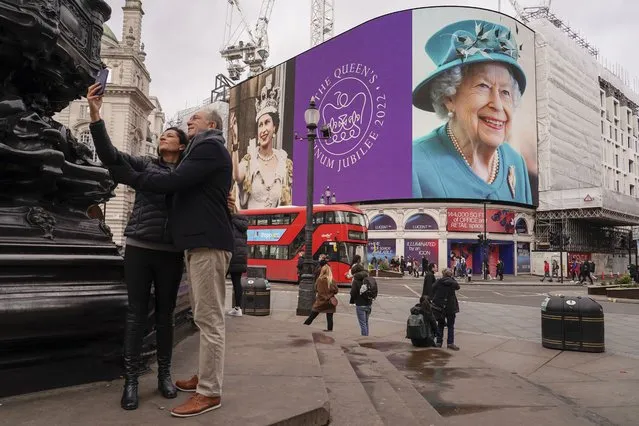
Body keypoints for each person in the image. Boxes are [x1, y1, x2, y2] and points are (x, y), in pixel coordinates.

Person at [109, 106, 234, 418]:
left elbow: (172, 182)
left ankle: (209, 392)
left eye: (196, 118)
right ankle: (206, 377)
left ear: (212, 125)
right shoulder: (200, 151)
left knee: (209, 320)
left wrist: (132, 177)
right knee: (203, 317)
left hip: (207, 243)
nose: (189, 120)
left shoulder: (208, 146)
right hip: (197, 244)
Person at [87, 84, 187, 410]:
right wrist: (95, 114)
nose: (163, 138)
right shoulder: (145, 165)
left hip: (171, 253)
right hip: (140, 247)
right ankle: (130, 381)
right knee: (135, 315)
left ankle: (164, 375)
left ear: (181, 146)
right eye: (163, 135)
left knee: (165, 316)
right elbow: (111, 157)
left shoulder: (189, 176)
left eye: (170, 136)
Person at [412, 20, 532, 204]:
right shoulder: (414, 164)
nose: (498, 105)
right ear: (449, 97)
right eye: (483, 86)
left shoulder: (516, 162)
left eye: (505, 92)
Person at [229, 79, 292, 209]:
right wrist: (235, 143)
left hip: (276, 228)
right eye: (260, 125)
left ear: (275, 127)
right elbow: (236, 176)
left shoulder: (283, 162)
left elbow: (288, 203)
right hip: (250, 226)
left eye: (267, 123)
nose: (263, 130)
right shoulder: (250, 159)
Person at [227, 192, 248, 317]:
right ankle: (238, 308)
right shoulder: (242, 222)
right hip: (240, 257)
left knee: (219, 283)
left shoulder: (227, 220)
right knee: (237, 283)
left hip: (228, 255)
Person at [431, 268, 460, 350]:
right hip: (450, 306)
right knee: (451, 325)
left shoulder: (439, 281)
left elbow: (433, 287)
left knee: (440, 325)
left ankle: (439, 342)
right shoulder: (453, 282)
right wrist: (452, 279)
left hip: (440, 306)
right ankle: (450, 343)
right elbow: (458, 287)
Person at [304, 264, 339, 331]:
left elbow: (315, 289)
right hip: (329, 303)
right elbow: (336, 291)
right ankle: (330, 332)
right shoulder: (331, 280)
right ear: (329, 271)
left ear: (322, 271)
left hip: (320, 302)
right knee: (330, 319)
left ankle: (303, 328)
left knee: (311, 317)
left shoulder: (319, 280)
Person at [349, 255, 372, 336]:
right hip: (369, 303)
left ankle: (364, 339)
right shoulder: (368, 277)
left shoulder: (356, 281)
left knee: (362, 324)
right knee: (366, 322)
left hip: (360, 304)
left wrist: (352, 301)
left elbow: (353, 292)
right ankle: (367, 337)